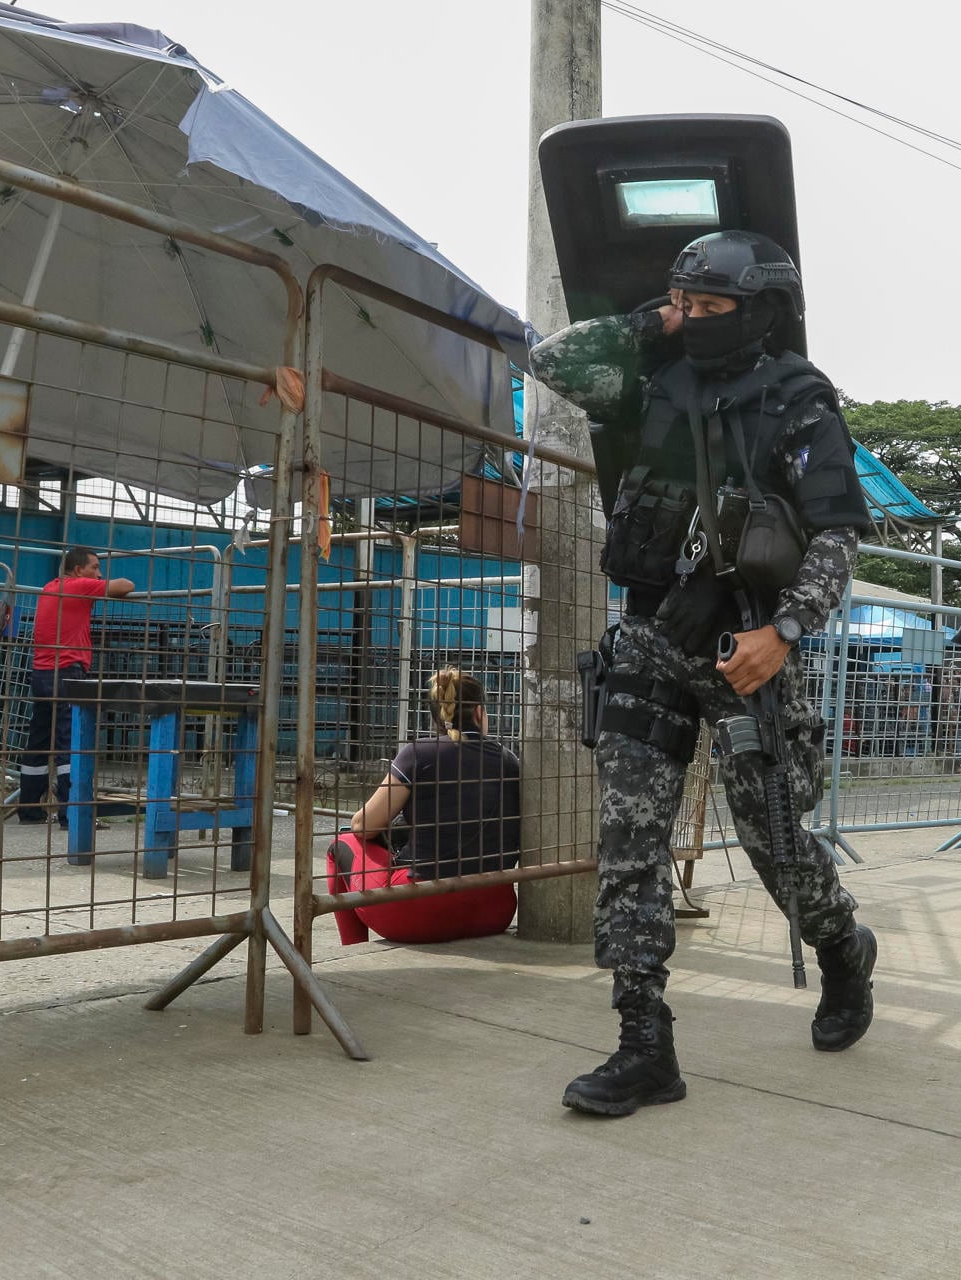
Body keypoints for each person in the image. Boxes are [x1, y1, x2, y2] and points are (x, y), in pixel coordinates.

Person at [531, 229, 878, 1117]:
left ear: (760, 313)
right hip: (648, 639)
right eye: (685, 305)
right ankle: (643, 1041)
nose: (694, 322)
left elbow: (836, 536)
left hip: (746, 651)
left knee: (777, 853)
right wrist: (661, 320)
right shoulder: (651, 378)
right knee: (628, 844)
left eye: (712, 309)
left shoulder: (800, 402)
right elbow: (554, 358)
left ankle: (841, 944)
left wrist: (787, 633)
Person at [327, 667, 522, 945]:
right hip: (493, 910)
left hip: (417, 913)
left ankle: (354, 948)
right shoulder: (509, 760)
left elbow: (363, 827)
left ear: (437, 717)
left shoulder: (418, 753)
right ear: (480, 713)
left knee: (342, 842)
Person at [18, 547, 133, 824]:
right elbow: (125, 586)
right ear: (79, 569)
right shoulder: (78, 586)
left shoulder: (50, 587)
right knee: (70, 742)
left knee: (39, 742)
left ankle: (30, 810)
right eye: (94, 567)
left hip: (42, 673)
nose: (99, 573)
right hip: (66, 673)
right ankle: (73, 814)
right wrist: (100, 584)